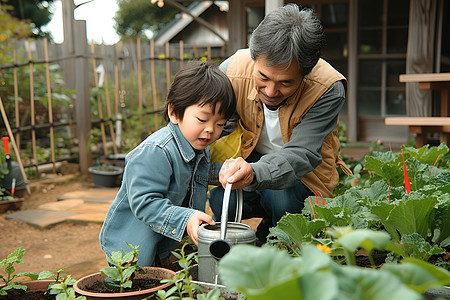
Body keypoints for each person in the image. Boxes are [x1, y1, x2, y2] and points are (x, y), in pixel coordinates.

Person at [209, 4, 351, 243]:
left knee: (282, 200)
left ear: (306, 73)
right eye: (263, 77)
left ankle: (283, 245)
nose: (271, 91)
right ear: (254, 59)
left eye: (285, 82)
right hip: (251, 161)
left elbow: (301, 154)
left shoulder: (328, 88)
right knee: (223, 200)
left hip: (304, 175)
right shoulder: (232, 72)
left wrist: (255, 173)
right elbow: (218, 128)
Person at [99, 61, 236, 266]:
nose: (210, 130)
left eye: (219, 124)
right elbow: (145, 203)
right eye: (202, 119)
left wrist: (226, 172)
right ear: (174, 112)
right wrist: (186, 218)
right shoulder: (156, 151)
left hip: (166, 245)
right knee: (139, 287)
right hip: (133, 250)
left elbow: (199, 173)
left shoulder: (198, 146)